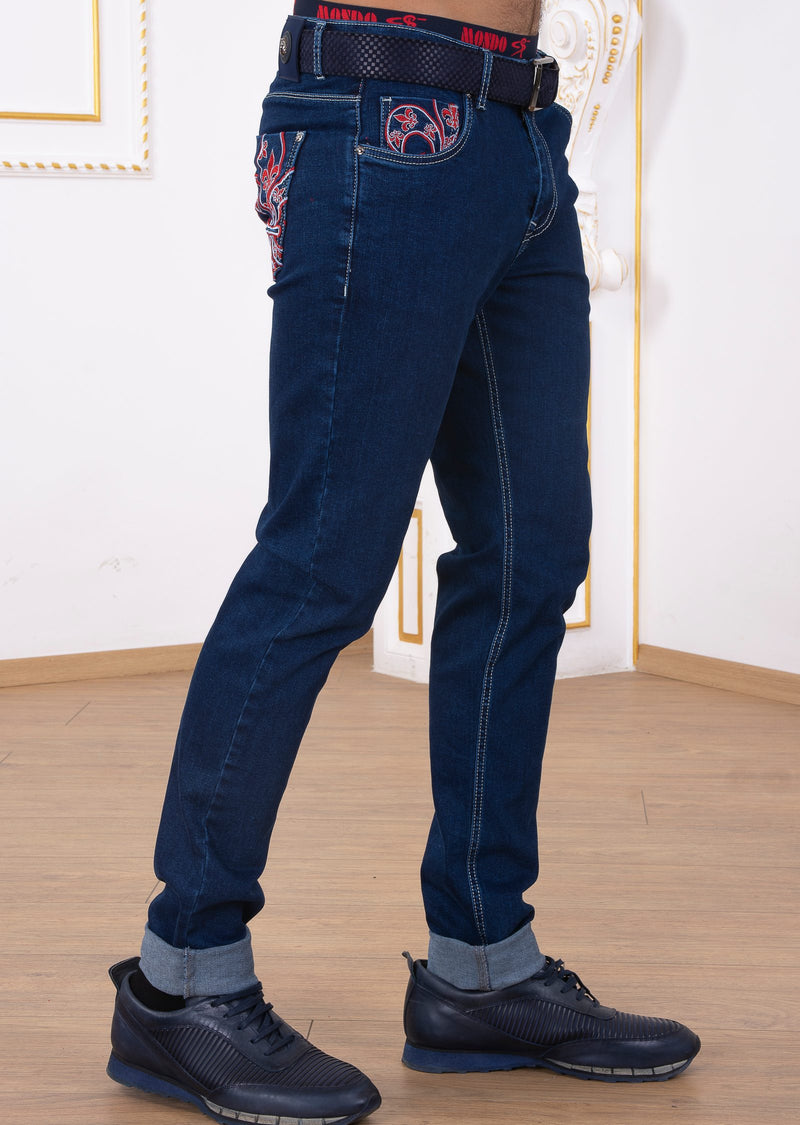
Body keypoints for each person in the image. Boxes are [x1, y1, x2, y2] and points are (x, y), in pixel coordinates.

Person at [106, 5, 700, 1123]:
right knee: (320, 563)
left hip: (524, 136)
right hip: (382, 114)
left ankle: (482, 967)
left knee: (530, 558)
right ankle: (181, 976)